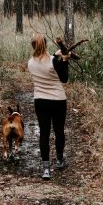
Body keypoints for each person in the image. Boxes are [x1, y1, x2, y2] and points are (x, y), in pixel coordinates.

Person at [28, 33, 71, 180]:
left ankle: (46, 169)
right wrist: (65, 60)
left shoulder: (30, 63)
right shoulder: (54, 61)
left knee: (44, 133)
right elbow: (64, 79)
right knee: (59, 131)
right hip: (58, 100)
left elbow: (44, 63)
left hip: (40, 101)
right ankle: (59, 161)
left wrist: (56, 55)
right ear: (45, 44)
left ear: (33, 45)